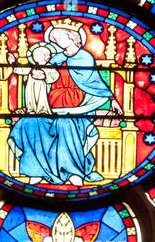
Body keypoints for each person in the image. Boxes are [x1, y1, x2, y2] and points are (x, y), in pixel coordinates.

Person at [7, 20, 119, 186]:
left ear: (73, 37)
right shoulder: (55, 58)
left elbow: (94, 82)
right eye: (53, 38)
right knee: (30, 123)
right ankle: (37, 171)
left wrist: (112, 100)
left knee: (64, 124)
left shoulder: (85, 58)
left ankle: (73, 171)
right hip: (48, 107)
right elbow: (36, 75)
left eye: (58, 38)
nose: (55, 42)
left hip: (79, 109)